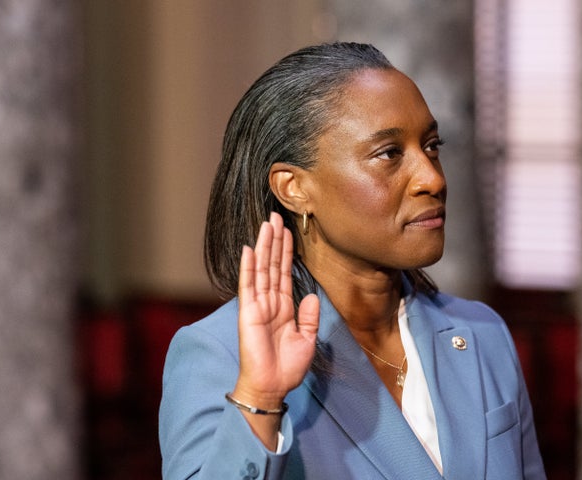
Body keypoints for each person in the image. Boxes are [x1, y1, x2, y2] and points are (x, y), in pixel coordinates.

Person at [159, 42, 546, 479]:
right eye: (389, 154)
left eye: (432, 146)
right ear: (294, 188)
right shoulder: (221, 354)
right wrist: (260, 398)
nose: (433, 178)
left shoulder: (482, 335)